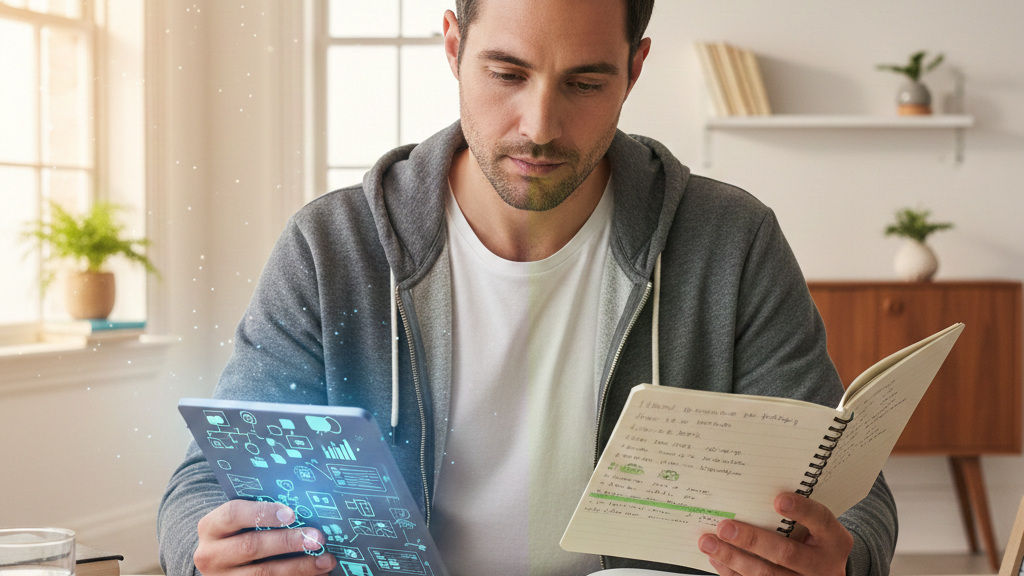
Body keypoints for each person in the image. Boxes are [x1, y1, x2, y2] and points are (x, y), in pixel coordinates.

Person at [158, 1, 898, 575]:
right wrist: (212, 550)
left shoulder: (730, 242)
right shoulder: (331, 248)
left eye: (585, 82)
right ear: (453, 48)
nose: (540, 126)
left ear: (634, 69)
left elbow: (851, 496)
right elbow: (205, 483)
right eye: (506, 74)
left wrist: (841, 557)